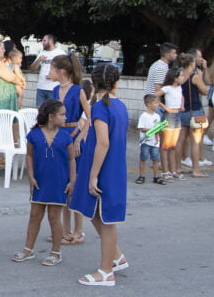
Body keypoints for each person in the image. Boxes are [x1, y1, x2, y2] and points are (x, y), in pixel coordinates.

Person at [70, 64, 129, 287]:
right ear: (116, 82)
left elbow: (103, 142)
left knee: (106, 220)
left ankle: (106, 272)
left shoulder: (100, 108)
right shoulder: (120, 106)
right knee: (96, 214)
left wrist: (93, 175)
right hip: (113, 167)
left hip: (104, 168)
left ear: (93, 85)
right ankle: (116, 257)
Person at [13, 99, 76, 267]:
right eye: (62, 114)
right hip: (40, 181)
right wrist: (31, 176)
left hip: (59, 182)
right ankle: (28, 249)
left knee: (55, 218)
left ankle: (56, 252)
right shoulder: (33, 135)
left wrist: (72, 180)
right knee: (35, 216)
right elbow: (30, 156)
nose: (65, 117)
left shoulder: (66, 136)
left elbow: (71, 159)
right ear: (50, 116)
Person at [50, 53, 91, 245]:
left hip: (74, 136)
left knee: (75, 186)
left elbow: (90, 117)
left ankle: (78, 231)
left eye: (52, 69)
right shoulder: (55, 90)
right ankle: (64, 229)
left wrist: (79, 138)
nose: (49, 72)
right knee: (62, 186)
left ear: (62, 71)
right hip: (59, 138)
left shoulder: (78, 90)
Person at [178, 49, 211, 177]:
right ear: (192, 64)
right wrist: (201, 77)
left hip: (182, 110)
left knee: (180, 140)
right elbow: (204, 91)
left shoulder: (179, 75)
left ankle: (178, 166)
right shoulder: (195, 76)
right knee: (196, 141)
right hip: (195, 111)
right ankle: (196, 169)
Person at [156, 65, 188, 180]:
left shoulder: (179, 88)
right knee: (165, 145)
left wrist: (182, 105)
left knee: (173, 146)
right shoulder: (167, 88)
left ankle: (173, 170)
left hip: (177, 115)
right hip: (169, 116)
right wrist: (165, 108)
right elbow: (154, 96)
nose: (183, 78)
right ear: (175, 78)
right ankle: (165, 171)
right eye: (181, 76)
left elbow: (182, 97)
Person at [29, 34, 66, 107]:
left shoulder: (60, 53)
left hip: (54, 88)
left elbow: (66, 69)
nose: (42, 42)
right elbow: (32, 69)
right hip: (41, 88)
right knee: (40, 110)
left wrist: (56, 76)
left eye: (44, 40)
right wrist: (39, 60)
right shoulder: (42, 53)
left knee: (53, 110)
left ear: (51, 41)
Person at [136, 94, 164, 185]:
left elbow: (158, 128)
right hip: (145, 141)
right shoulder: (144, 116)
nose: (157, 105)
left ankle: (156, 176)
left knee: (155, 159)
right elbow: (141, 128)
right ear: (148, 104)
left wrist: (158, 131)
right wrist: (152, 130)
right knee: (143, 158)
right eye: (155, 103)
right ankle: (141, 175)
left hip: (155, 142)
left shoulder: (157, 116)